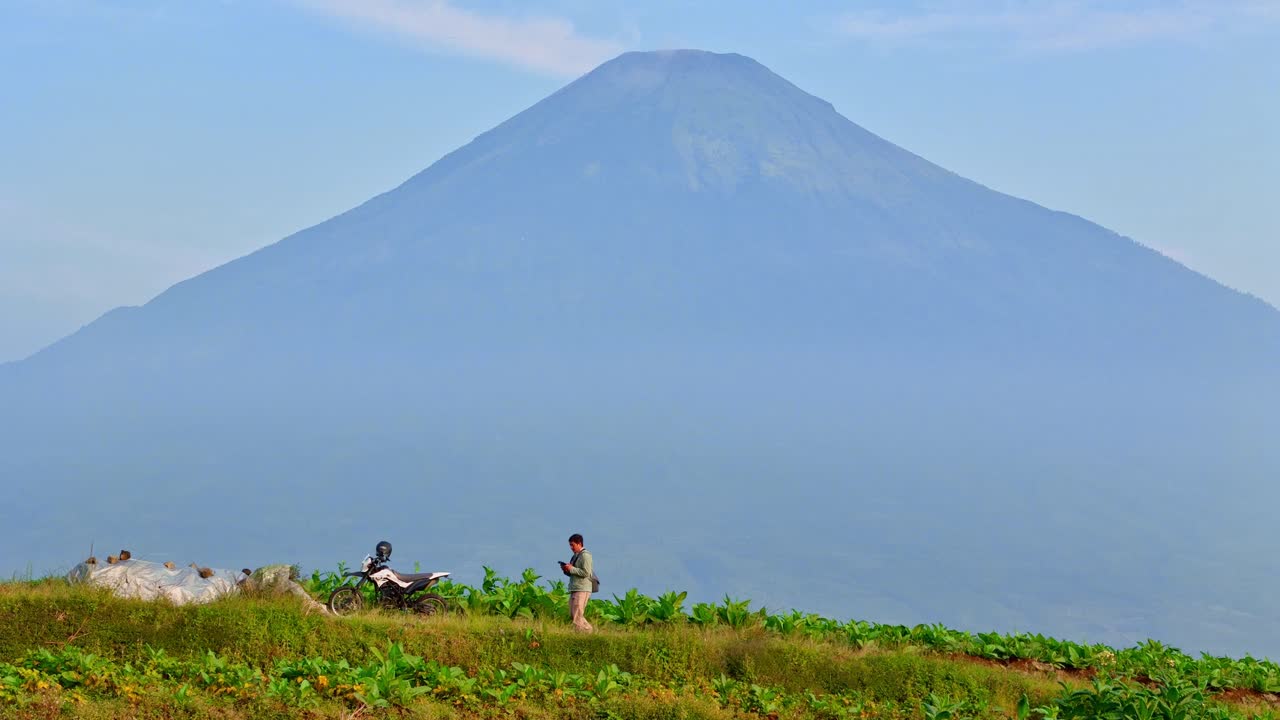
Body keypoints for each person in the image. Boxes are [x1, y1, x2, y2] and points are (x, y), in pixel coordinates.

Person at [560, 533, 594, 632]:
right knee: (573, 614)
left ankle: (586, 633)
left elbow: (586, 572)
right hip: (575, 588)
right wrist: (566, 570)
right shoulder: (575, 556)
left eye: (572, 545)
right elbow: (574, 572)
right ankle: (588, 631)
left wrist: (571, 568)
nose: (571, 547)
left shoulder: (585, 555)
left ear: (579, 543)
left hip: (582, 589)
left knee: (577, 615)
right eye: (570, 545)